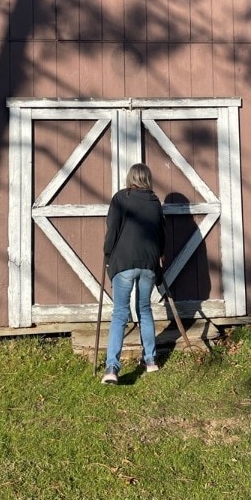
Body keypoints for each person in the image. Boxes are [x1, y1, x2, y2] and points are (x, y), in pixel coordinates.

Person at [101, 163, 165, 385]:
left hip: (124, 262)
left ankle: (112, 368)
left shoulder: (120, 198)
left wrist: (107, 254)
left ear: (130, 178)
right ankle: (151, 361)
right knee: (144, 309)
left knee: (120, 313)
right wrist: (159, 258)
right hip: (148, 262)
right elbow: (161, 234)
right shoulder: (155, 201)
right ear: (148, 178)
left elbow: (113, 229)